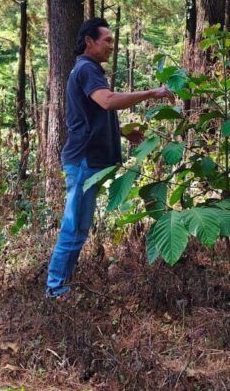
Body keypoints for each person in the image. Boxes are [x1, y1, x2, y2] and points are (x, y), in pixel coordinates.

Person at [46, 17, 175, 299]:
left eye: (113, 41)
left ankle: (61, 285)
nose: (111, 46)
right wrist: (151, 92)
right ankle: (55, 289)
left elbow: (97, 113)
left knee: (79, 225)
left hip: (88, 161)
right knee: (74, 225)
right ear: (89, 41)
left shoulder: (86, 70)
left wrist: (125, 133)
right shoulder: (87, 69)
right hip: (83, 161)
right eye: (107, 40)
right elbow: (107, 100)